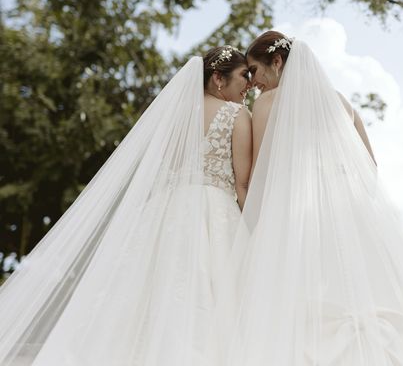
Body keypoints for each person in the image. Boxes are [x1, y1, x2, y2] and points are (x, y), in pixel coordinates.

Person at [213, 32, 403, 365]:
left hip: (293, 220)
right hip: (346, 219)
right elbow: (370, 166)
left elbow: (259, 177)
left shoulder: (266, 105)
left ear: (277, 61)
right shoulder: (341, 102)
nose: (253, 83)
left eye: (254, 71)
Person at [0, 47, 252, 365]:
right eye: (245, 75)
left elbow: (166, 168)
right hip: (215, 214)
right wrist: (253, 228)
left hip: (167, 212)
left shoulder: (176, 117)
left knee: (148, 299)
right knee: (216, 300)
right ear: (218, 78)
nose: (249, 84)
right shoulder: (237, 115)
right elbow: (242, 183)